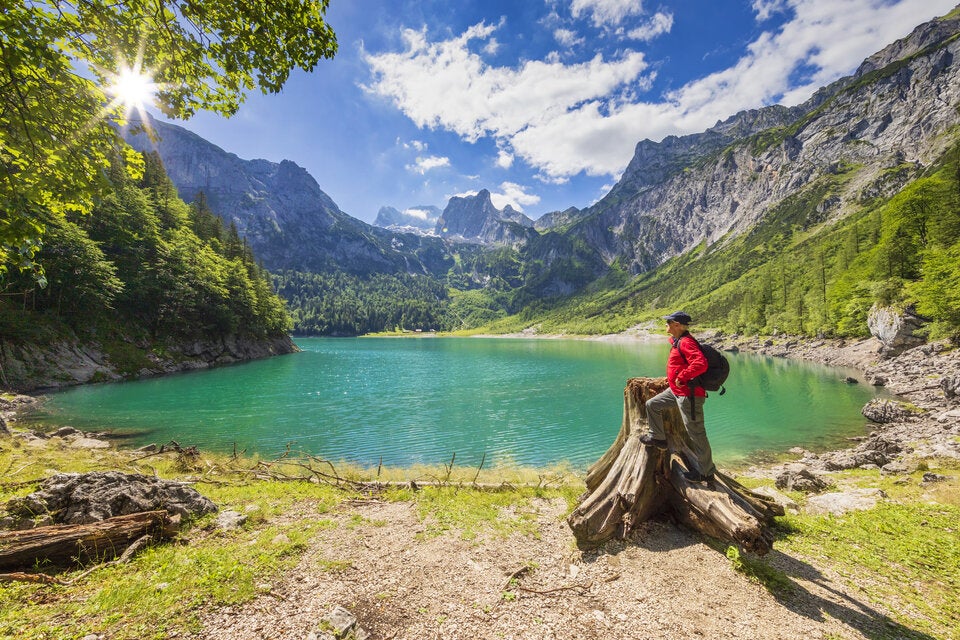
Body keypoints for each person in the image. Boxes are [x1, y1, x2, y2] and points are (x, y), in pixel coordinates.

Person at [640, 311, 717, 483]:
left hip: (689, 395)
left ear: (676, 325)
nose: (666, 327)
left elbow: (700, 363)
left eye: (668, 323)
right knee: (652, 405)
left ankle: (706, 472)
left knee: (696, 433)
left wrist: (682, 377)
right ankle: (658, 438)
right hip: (676, 392)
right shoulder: (679, 341)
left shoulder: (687, 342)